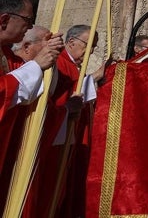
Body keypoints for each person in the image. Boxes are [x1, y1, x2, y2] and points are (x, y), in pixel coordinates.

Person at [0, 0, 63, 205]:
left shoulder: (6, 54)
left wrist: (48, 58)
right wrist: (36, 65)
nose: (29, 25)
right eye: (28, 19)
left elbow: (32, 85)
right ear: (5, 19)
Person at [30, 24, 100, 218]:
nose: (91, 51)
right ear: (71, 42)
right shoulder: (59, 62)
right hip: (52, 137)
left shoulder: (72, 65)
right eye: (89, 45)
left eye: (94, 47)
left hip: (64, 136)